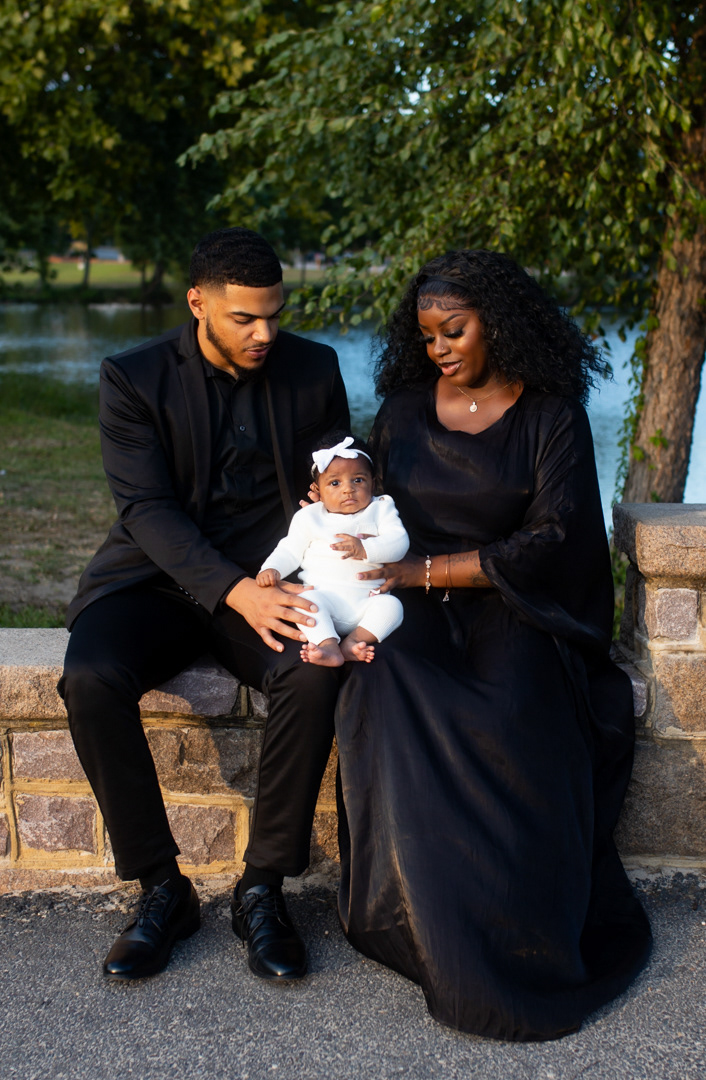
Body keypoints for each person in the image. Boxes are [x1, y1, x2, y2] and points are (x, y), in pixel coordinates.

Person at [334, 249, 652, 1041]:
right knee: (386, 677)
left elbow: (552, 540)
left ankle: (512, 924)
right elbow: (372, 511)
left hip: (517, 606)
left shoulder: (551, 416)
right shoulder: (402, 412)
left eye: (455, 330)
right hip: (411, 603)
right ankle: (421, 915)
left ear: (499, 324)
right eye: (427, 335)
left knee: (509, 710)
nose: (439, 347)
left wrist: (425, 570)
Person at [58, 227, 350, 983]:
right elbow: (146, 510)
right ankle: (162, 889)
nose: (265, 334)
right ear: (198, 303)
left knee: (312, 672)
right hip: (155, 580)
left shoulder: (314, 368)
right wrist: (234, 590)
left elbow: (340, 480)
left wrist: (339, 530)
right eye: (244, 318)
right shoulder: (133, 377)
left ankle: (262, 888)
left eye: (274, 315)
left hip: (270, 580)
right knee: (90, 676)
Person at [257, 433, 409, 666]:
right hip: (322, 597)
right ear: (317, 488)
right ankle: (328, 646)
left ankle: (353, 642)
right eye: (335, 483)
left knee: (393, 608)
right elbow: (289, 549)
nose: (348, 489)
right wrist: (272, 569)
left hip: (368, 602)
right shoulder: (309, 516)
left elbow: (399, 542)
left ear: (373, 483)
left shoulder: (381, 509)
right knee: (303, 600)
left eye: (358, 480)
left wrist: (366, 548)